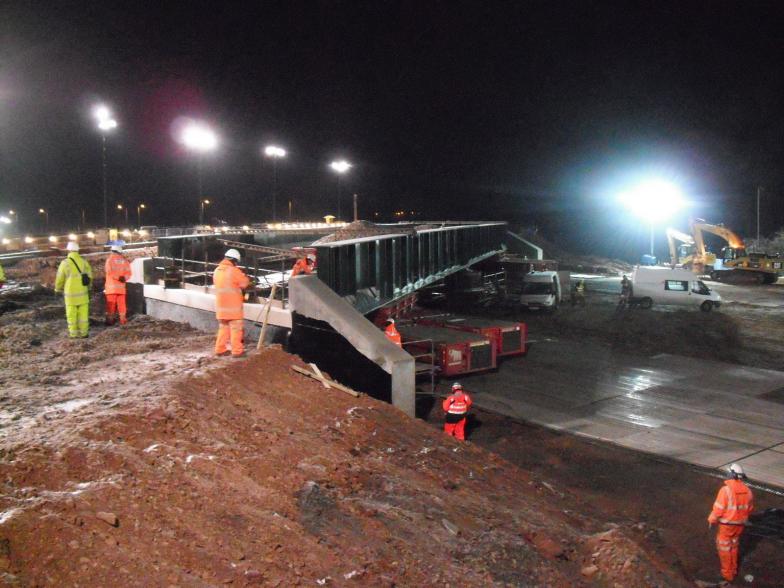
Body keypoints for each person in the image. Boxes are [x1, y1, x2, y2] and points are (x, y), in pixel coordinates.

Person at [708, 463, 754, 584]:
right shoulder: (748, 491)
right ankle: (733, 570)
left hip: (726, 527)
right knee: (733, 547)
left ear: (732, 475)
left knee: (724, 550)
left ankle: (727, 575)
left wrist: (711, 520)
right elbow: (749, 509)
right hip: (739, 526)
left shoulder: (726, 490)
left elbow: (718, 509)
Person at [213, 248, 250, 358]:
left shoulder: (217, 270)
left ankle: (220, 349)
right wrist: (244, 275)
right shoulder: (234, 271)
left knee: (223, 329)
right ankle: (237, 352)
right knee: (236, 329)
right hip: (233, 308)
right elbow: (244, 284)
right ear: (234, 260)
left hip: (221, 307)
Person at [54, 241, 93, 338]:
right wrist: (89, 288)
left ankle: (73, 334)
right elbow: (90, 277)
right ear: (78, 250)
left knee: (71, 315)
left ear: (69, 250)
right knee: (83, 315)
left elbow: (60, 278)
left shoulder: (65, 263)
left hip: (70, 295)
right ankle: (84, 333)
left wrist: (57, 289)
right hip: (83, 294)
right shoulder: (84, 262)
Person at [104, 243, 132, 325]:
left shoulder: (109, 260)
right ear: (120, 251)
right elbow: (129, 273)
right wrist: (124, 278)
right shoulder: (125, 261)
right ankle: (123, 320)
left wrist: (117, 277)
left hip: (111, 288)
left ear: (112, 250)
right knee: (122, 305)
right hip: (121, 288)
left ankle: (110, 321)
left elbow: (109, 272)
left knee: (111, 305)